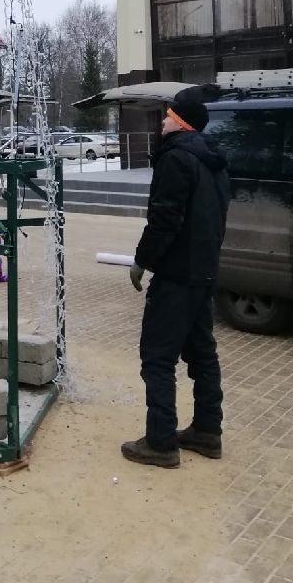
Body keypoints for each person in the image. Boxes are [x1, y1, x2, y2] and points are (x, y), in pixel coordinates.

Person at [121, 93, 230, 468]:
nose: (162, 122)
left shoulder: (176, 157)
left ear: (181, 122)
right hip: (204, 272)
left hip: (177, 275)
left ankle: (161, 442)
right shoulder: (214, 160)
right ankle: (207, 431)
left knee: (157, 357)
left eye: (167, 116)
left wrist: (142, 260)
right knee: (203, 355)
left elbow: (165, 218)